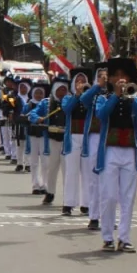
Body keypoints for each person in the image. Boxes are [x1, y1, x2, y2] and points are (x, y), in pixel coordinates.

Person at [94, 57, 137, 253]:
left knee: (128, 197)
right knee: (109, 196)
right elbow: (101, 115)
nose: (120, 79)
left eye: (124, 75)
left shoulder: (135, 98)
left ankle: (124, 238)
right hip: (109, 150)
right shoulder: (103, 98)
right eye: (116, 76)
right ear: (110, 79)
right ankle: (107, 237)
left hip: (130, 151)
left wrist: (131, 98)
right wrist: (116, 96)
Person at [79, 65, 109, 230]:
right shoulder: (94, 93)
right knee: (94, 179)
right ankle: (94, 217)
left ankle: (109, 216)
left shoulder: (117, 92)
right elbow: (83, 99)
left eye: (106, 76)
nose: (104, 78)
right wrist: (98, 86)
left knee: (111, 181)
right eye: (101, 76)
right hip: (95, 137)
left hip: (111, 138)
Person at [31, 76, 68, 206]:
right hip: (52, 140)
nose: (62, 93)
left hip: (67, 141)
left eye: (64, 90)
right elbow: (33, 113)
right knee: (51, 168)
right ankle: (50, 192)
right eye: (59, 90)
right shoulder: (46, 103)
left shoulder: (70, 102)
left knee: (67, 170)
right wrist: (38, 118)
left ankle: (68, 197)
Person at [60, 68, 92, 216]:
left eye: (83, 81)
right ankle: (68, 203)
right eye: (78, 81)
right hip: (72, 136)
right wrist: (77, 95)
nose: (80, 83)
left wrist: (86, 94)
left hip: (87, 137)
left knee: (87, 172)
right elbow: (67, 109)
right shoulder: (68, 97)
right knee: (71, 172)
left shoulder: (91, 97)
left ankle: (86, 204)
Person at [24, 81, 48, 194]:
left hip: (44, 135)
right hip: (32, 135)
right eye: (36, 93)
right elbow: (23, 117)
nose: (39, 95)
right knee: (34, 162)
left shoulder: (46, 104)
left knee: (45, 161)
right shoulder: (28, 105)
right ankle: (35, 185)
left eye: (41, 93)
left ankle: (44, 185)